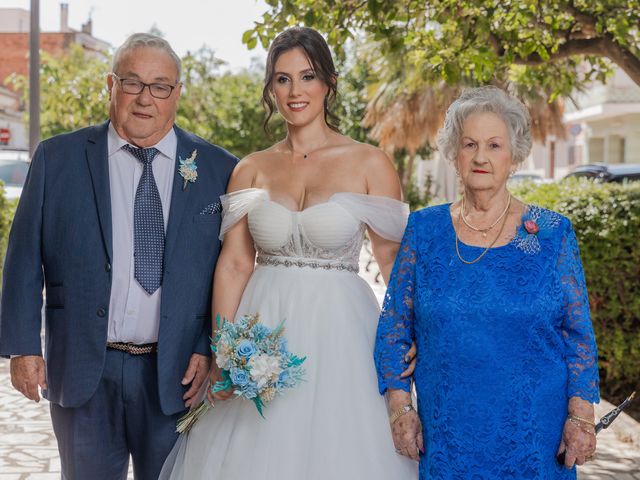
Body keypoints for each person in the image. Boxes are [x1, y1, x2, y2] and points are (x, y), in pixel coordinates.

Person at [160, 26, 418, 479]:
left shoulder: (369, 162)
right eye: (282, 79)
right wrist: (225, 350)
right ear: (271, 88)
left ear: (329, 83)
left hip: (343, 337)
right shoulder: (251, 168)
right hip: (264, 329)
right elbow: (236, 264)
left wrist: (410, 335)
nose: (295, 91)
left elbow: (394, 260)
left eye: (307, 76)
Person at [0, 33, 237, 479]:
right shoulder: (58, 157)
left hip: (175, 375)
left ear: (177, 93)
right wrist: (22, 347)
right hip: (84, 368)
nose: (145, 98)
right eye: (132, 83)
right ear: (111, 85)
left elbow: (231, 269)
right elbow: (24, 258)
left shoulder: (218, 169)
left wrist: (209, 346)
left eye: (160, 85)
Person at [374, 86, 600, 479]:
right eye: (469, 144)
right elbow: (394, 327)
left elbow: (577, 335)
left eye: (494, 145)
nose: (481, 157)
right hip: (448, 437)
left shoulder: (551, 234)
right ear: (454, 153)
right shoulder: (424, 231)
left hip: (535, 438)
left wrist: (581, 416)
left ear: (514, 156)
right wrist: (400, 407)